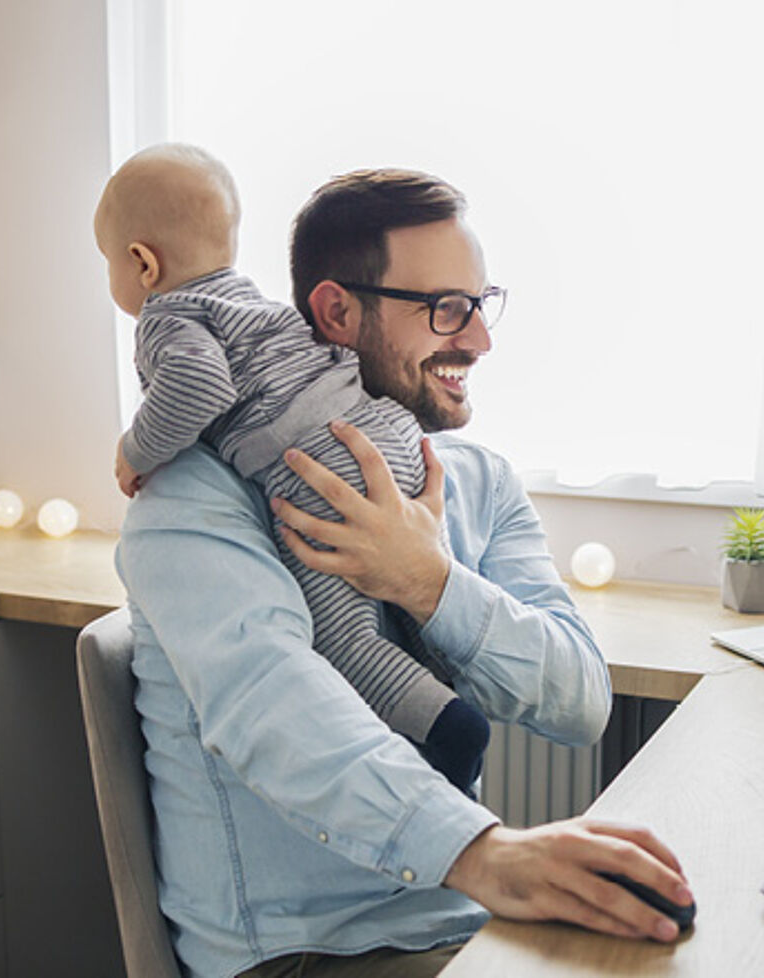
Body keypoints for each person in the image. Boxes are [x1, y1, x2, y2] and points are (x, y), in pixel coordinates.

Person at [116, 167, 691, 978]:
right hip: (308, 954)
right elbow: (272, 707)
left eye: (481, 304)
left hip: (457, 924)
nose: (480, 341)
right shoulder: (194, 494)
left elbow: (582, 701)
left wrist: (428, 580)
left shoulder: (478, 478)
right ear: (336, 313)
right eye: (445, 309)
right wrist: (485, 855)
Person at [98, 143, 489, 791]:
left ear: (141, 262)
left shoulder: (171, 317)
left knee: (341, 636)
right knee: (407, 600)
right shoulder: (252, 304)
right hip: (385, 432)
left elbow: (198, 389)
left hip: (325, 465)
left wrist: (135, 449)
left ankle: (449, 730)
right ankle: (444, 687)